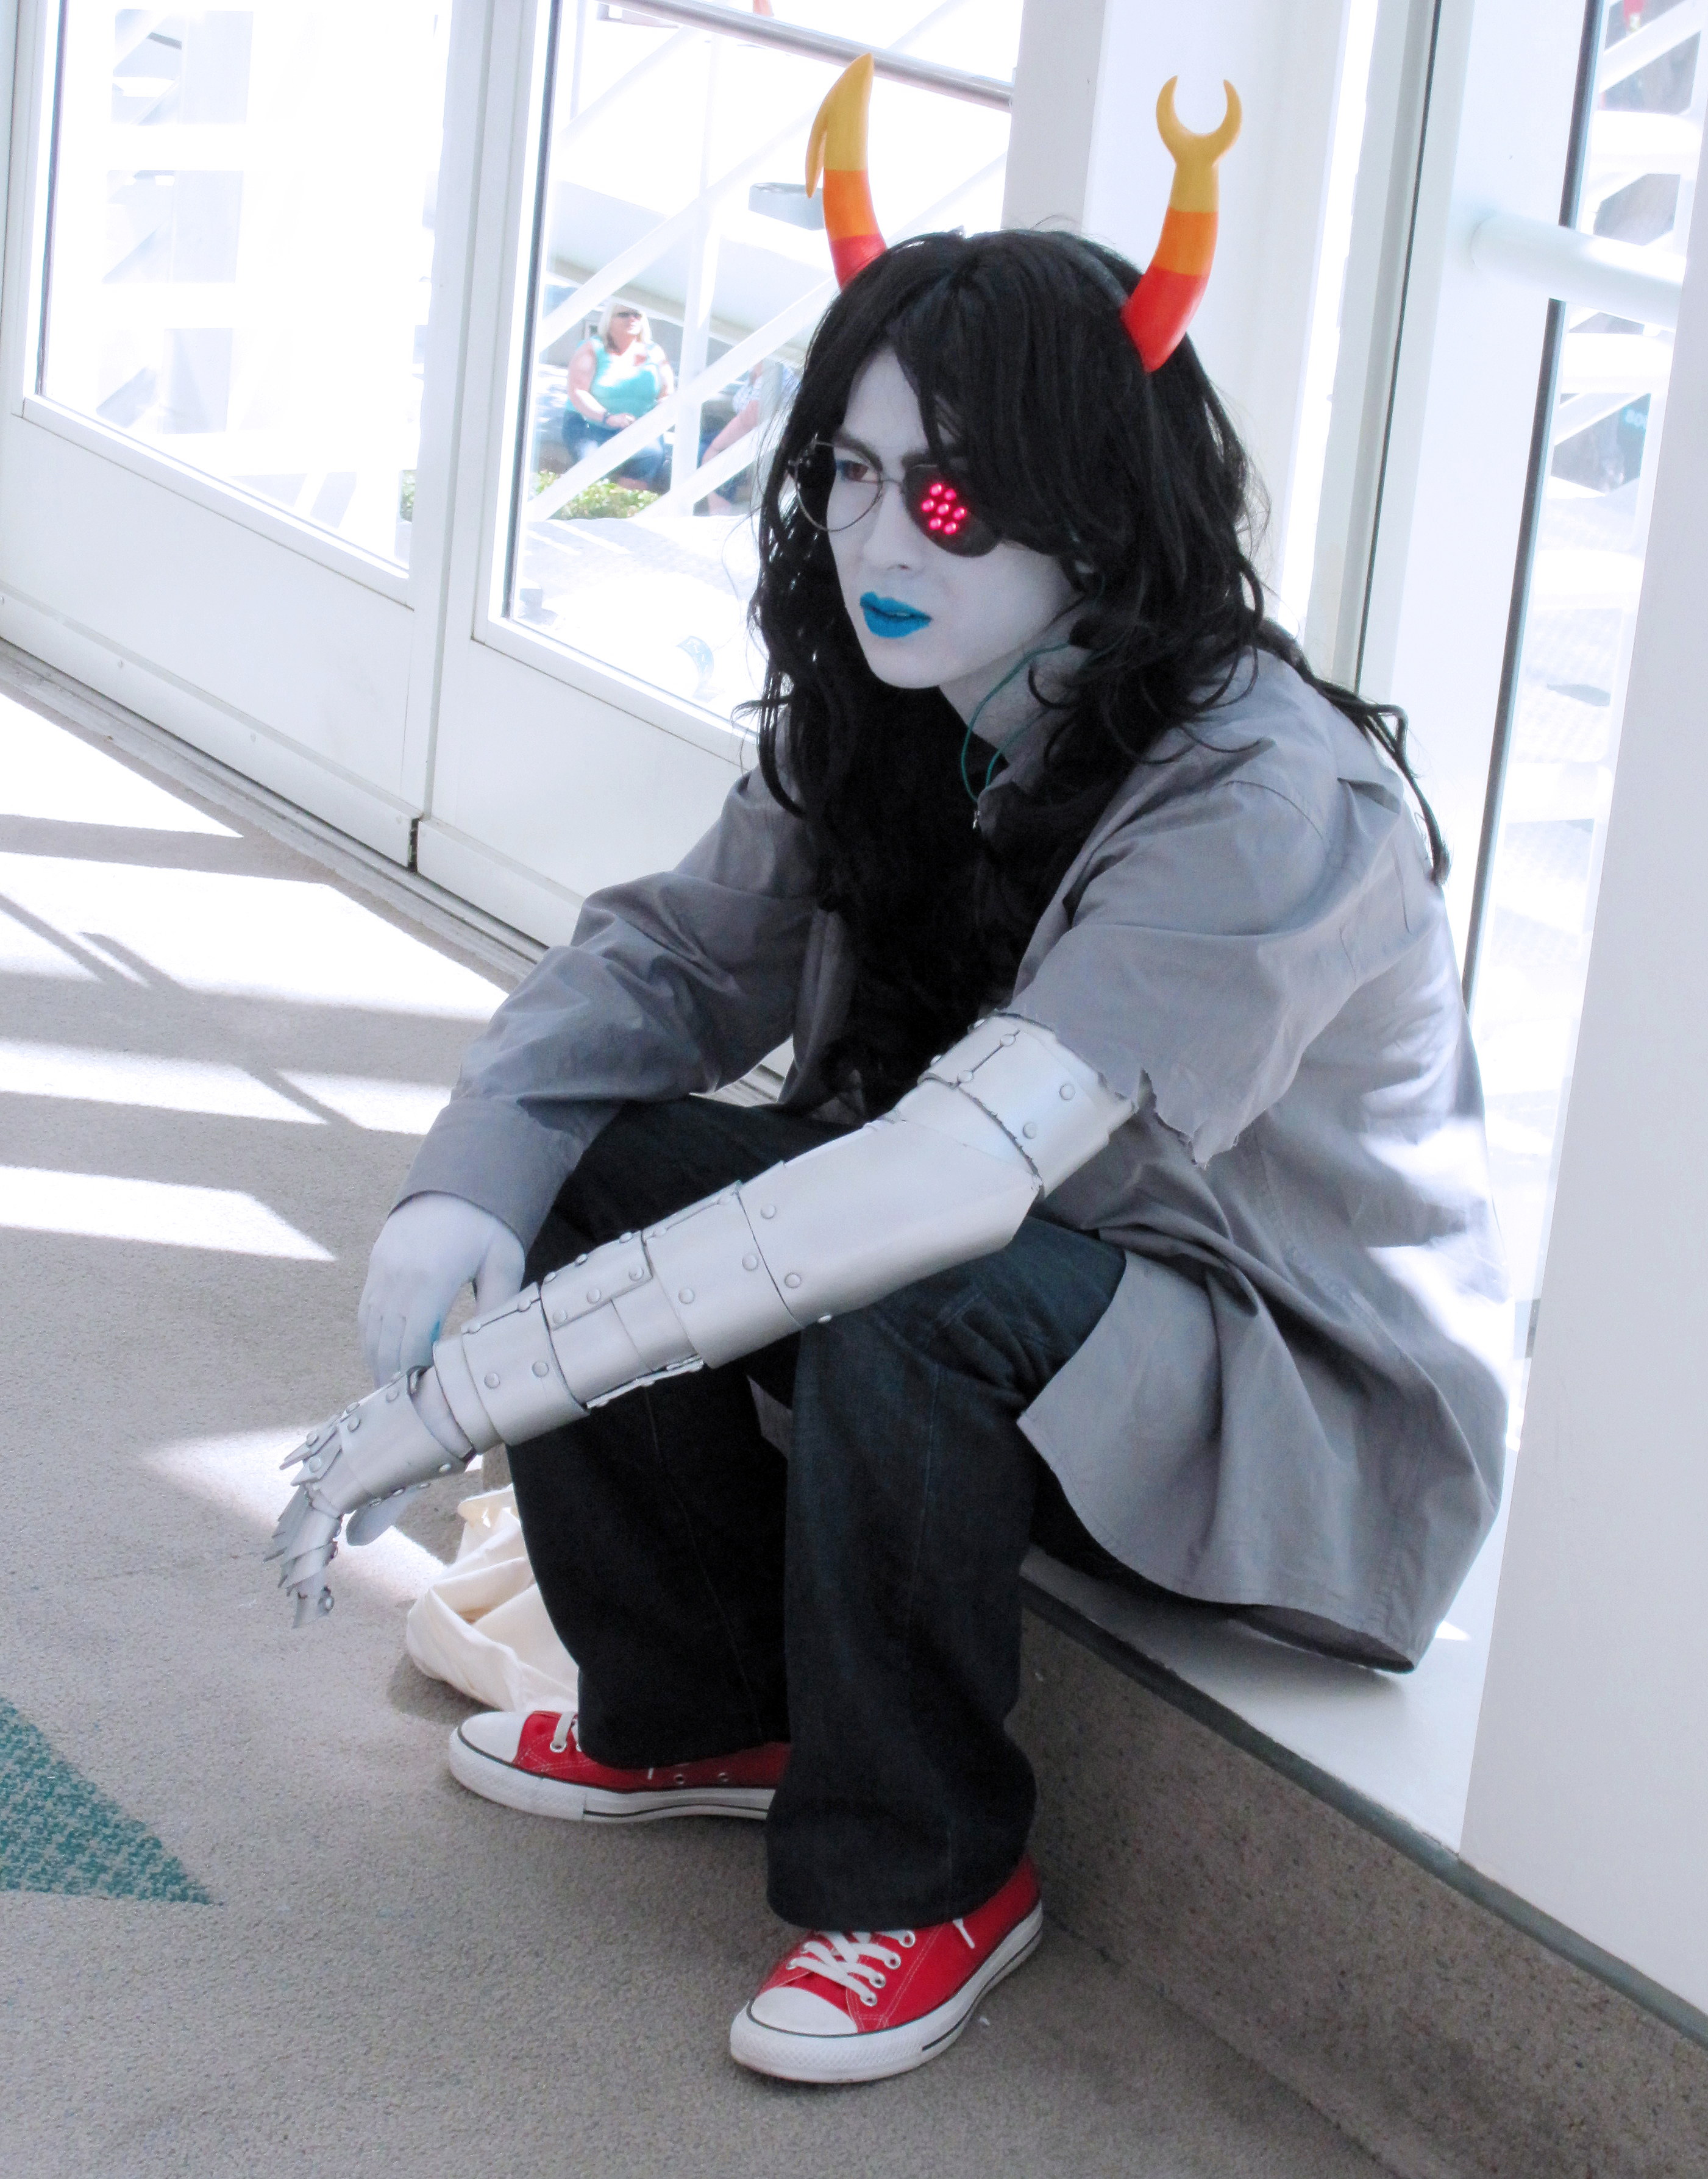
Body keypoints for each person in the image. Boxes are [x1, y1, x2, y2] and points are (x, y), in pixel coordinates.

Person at [272, 73, 1507, 2088]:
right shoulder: (905, 697)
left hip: (1273, 1388)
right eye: (844, 473)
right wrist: (468, 1181)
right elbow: (668, 963)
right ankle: (701, 1705)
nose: (870, 539)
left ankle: (930, 1870)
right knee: (596, 1154)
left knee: (908, 1283)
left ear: (1096, 503)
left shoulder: (1269, 796)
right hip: (1017, 1270)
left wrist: (473, 1388)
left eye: (944, 493)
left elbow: (960, 1178)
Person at [561, 298, 674, 489]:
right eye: (624, 314)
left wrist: (655, 420)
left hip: (637, 428)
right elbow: (578, 391)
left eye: (637, 314)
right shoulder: (592, 348)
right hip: (590, 425)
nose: (632, 319)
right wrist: (608, 418)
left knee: (652, 454)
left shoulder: (655, 352)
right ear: (609, 319)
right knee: (591, 463)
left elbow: (667, 394)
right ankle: (594, 504)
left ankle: (622, 503)